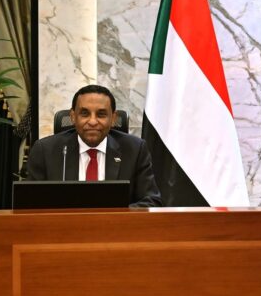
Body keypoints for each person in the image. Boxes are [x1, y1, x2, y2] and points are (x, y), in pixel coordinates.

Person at [26, 84, 162, 207]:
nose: (92, 121)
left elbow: (151, 201)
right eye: (84, 114)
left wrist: (113, 218)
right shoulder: (44, 151)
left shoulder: (135, 150)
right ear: (72, 116)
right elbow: (29, 203)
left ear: (113, 118)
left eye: (101, 114)